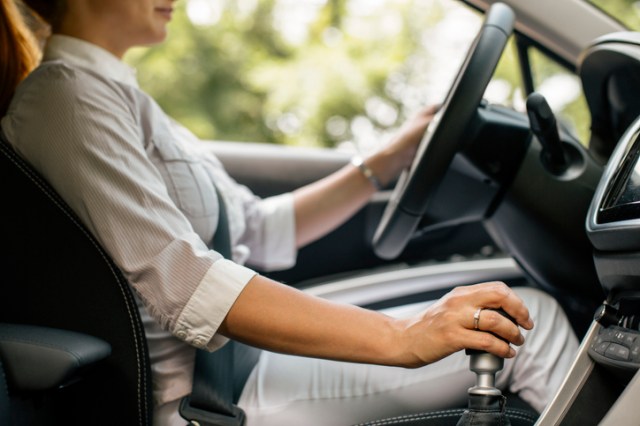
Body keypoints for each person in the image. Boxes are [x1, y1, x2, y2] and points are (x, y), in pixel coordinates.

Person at [0, 0, 578, 425]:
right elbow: (187, 284)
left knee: (521, 317)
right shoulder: (66, 99)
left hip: (240, 366)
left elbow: (256, 227)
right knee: (536, 325)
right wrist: (402, 335)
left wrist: (389, 156)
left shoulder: (117, 94)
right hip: (211, 396)